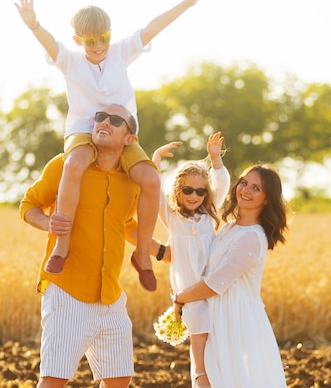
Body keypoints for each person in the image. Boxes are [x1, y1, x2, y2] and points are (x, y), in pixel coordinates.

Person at [14, 0, 211, 291]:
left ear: (110, 35)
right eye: (90, 41)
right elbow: (51, 44)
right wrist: (34, 24)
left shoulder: (121, 52)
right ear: (79, 41)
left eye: (103, 38)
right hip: (83, 130)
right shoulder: (71, 61)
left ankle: (143, 257)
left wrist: (189, 1)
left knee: (149, 179)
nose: (99, 46)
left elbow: (154, 26)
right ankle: (62, 245)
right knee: (74, 164)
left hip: (122, 132)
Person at [20, 104, 166, 388]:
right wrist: (48, 223)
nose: (104, 122)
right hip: (68, 291)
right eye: (100, 117)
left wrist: (159, 251)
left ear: (129, 139)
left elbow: (125, 225)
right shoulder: (65, 165)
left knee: (119, 379)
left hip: (111, 295)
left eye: (115, 120)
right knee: (53, 380)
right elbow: (28, 205)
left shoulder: (131, 181)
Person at [164, 164, 290, 388]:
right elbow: (195, 257)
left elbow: (214, 284)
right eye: (243, 183)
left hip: (236, 323)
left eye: (256, 188)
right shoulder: (229, 227)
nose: (246, 190)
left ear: (267, 199)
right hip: (217, 320)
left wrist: (180, 298)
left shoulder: (252, 236)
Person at [151, 132, 230, 388]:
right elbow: (153, 191)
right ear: (178, 189)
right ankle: (200, 381)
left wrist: (215, 158)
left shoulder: (209, 215)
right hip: (190, 295)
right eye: (187, 190)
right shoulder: (173, 220)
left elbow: (222, 183)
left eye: (200, 191)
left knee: (218, 349)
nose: (194, 195)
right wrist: (156, 160)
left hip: (214, 291)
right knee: (199, 352)